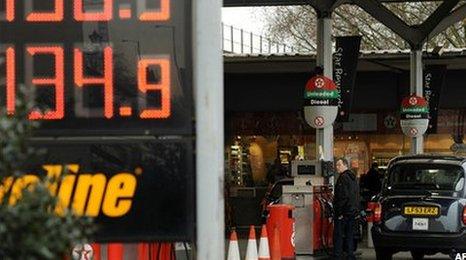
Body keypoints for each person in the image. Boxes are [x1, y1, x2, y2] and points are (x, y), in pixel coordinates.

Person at [333, 157, 360, 260]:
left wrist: (339, 212)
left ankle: (338, 256)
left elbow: (343, 196)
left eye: (339, 165)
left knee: (338, 235)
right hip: (352, 211)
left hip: (344, 212)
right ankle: (350, 255)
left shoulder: (343, 178)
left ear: (345, 165)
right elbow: (355, 195)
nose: (337, 167)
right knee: (349, 235)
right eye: (336, 165)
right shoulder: (353, 178)